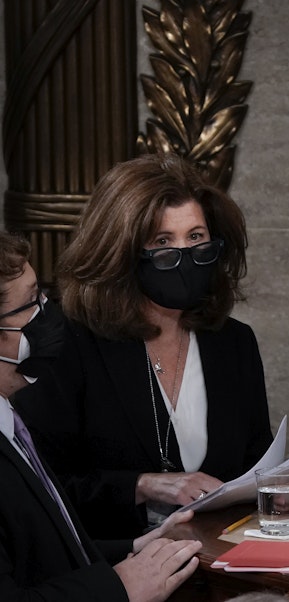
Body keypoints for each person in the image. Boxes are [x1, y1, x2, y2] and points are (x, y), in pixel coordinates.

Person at [14, 153, 273, 539]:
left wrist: (271, 491)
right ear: (120, 253)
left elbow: (257, 463)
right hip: (109, 569)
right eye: (163, 242)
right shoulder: (69, 343)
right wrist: (141, 485)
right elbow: (40, 489)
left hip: (218, 564)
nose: (185, 255)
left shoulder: (233, 343)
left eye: (196, 238)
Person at [0, 230, 201, 600]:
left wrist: (139, 547)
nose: (47, 310)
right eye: (30, 302)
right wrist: (119, 588)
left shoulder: (9, 420)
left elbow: (49, 553)